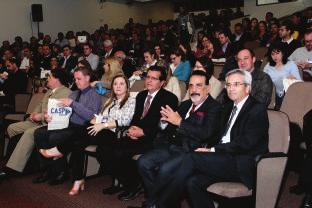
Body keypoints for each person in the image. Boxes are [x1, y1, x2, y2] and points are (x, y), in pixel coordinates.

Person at [150, 69, 269, 208]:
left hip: (241, 162)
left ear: (248, 88)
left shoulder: (257, 109)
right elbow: (214, 134)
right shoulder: (228, 107)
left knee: (191, 157)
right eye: (228, 85)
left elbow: (246, 143)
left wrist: (212, 149)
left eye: (236, 84)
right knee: (192, 182)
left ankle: (158, 205)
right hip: (222, 158)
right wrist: (210, 148)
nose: (231, 88)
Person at [136, 70, 222, 208]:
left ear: (208, 88)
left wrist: (180, 122)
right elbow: (169, 127)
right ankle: (163, 203)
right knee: (143, 162)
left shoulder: (214, 108)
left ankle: (154, 204)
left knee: (165, 169)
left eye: (199, 85)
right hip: (171, 146)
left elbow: (206, 133)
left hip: (191, 151)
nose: (194, 89)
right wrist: (164, 122)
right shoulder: (185, 104)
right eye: (191, 85)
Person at [99, 65, 178, 201]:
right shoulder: (141, 95)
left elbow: (164, 126)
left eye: (154, 78)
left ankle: (132, 185)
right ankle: (125, 181)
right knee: (104, 150)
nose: (149, 81)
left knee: (120, 153)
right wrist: (132, 129)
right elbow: (135, 117)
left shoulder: (169, 98)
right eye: (148, 77)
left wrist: (143, 132)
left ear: (162, 82)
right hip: (135, 135)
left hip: (153, 139)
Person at [67, 74, 136, 195]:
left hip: (116, 134)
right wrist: (96, 120)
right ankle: (78, 178)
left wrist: (102, 125)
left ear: (127, 86)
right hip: (103, 134)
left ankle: (61, 150)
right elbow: (102, 118)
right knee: (81, 142)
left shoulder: (131, 101)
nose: (118, 86)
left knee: (81, 135)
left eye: (121, 84)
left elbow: (125, 120)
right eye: (115, 84)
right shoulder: (110, 101)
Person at [32, 66, 102, 185]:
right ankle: (47, 169)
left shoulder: (94, 96)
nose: (76, 81)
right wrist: (51, 117)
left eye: (79, 79)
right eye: (75, 79)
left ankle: (61, 172)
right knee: (39, 133)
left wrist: (73, 104)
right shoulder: (74, 94)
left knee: (55, 136)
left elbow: (90, 116)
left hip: (81, 128)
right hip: (67, 124)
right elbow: (62, 113)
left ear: (87, 78)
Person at [0, 70, 71, 179]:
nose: (47, 79)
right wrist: (33, 114)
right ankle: (23, 160)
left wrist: (40, 116)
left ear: (57, 79)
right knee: (12, 128)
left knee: (29, 133)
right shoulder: (49, 91)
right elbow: (40, 105)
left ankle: (14, 167)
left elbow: (55, 113)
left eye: (49, 77)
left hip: (50, 124)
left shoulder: (66, 92)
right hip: (38, 122)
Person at [264, 42, 301, 109]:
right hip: (270, 94)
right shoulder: (268, 65)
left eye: (277, 53)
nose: (275, 56)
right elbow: (263, 80)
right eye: (272, 54)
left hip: (286, 95)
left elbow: (299, 83)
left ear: (283, 53)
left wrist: (292, 78)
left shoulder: (291, 64)